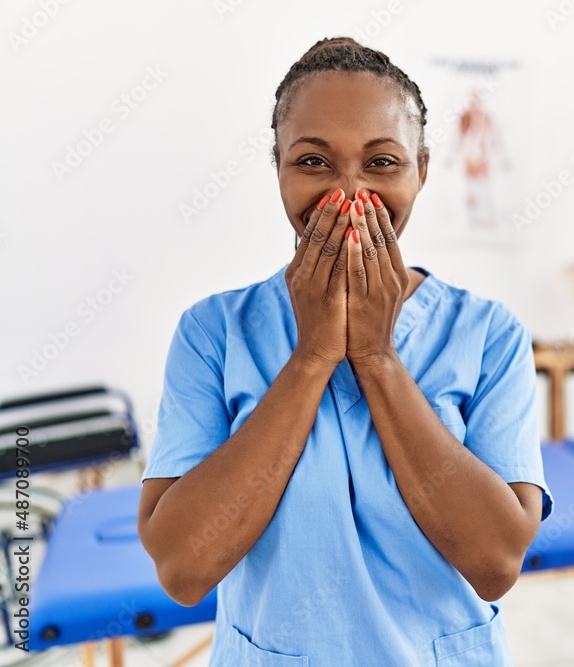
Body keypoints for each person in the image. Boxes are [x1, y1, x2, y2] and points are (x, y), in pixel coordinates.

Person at [137, 37, 553, 666]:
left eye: (382, 162)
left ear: (422, 170)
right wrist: (311, 358)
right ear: (278, 167)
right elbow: (183, 569)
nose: (350, 195)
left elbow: (496, 563)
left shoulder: (488, 334)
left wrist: (378, 359)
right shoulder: (213, 332)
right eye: (313, 162)